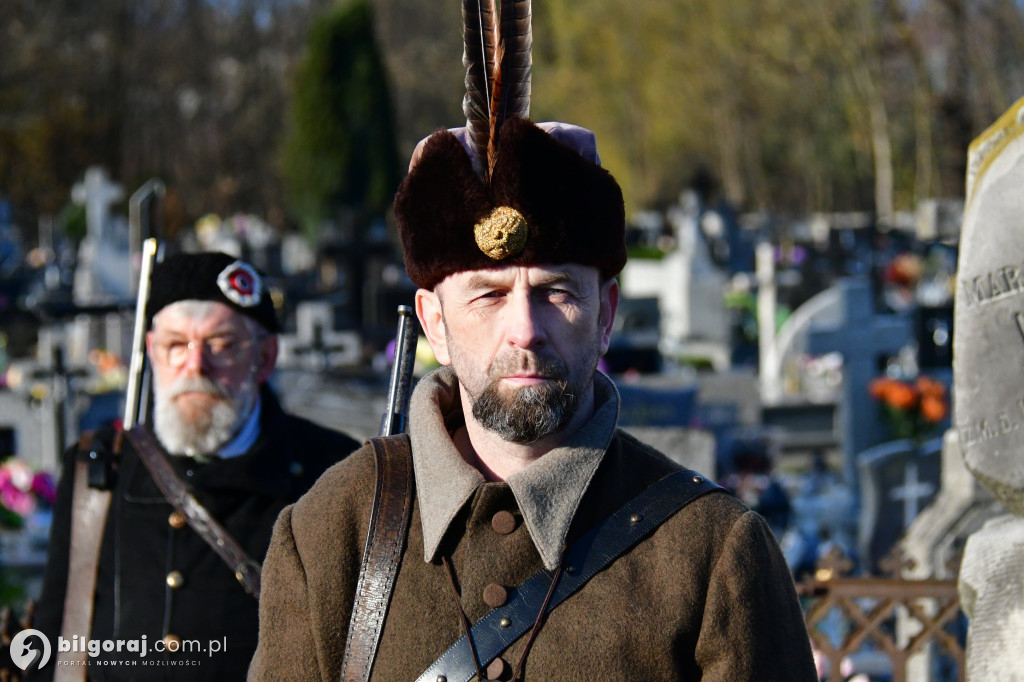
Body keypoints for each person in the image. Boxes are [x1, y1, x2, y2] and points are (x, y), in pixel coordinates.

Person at [249, 112, 817, 681]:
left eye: (555, 291)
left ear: (606, 315)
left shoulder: (715, 551)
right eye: (489, 295)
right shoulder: (330, 531)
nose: (524, 328)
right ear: (434, 324)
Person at [30, 252, 360, 681]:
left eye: (221, 346)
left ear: (266, 356)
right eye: (175, 346)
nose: (195, 366)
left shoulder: (330, 468)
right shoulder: (98, 468)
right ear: (152, 352)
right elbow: (55, 638)